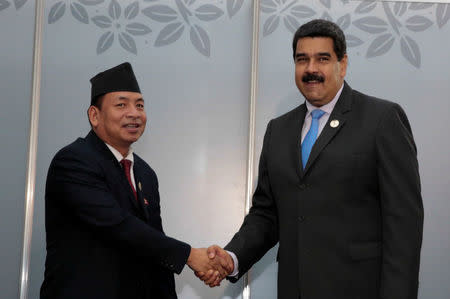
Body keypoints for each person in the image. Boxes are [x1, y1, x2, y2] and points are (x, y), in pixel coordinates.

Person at [201, 19, 424, 298]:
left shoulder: (382, 119)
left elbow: (403, 225)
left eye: (322, 59)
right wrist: (232, 257)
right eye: (302, 59)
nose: (311, 69)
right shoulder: (278, 130)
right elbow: (266, 214)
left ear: (342, 65)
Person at [40, 62, 231, 299]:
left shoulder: (145, 173)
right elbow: (118, 225)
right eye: (121, 104)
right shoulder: (74, 161)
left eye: (139, 105)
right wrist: (190, 256)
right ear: (94, 115)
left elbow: (155, 249)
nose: (134, 113)